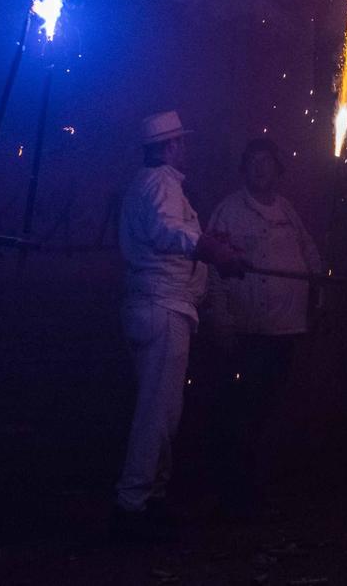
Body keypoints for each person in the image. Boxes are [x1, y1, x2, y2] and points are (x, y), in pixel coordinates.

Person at [112, 110, 240, 542]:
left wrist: (212, 248)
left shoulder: (146, 185)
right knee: (157, 413)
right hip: (163, 307)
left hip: (156, 306)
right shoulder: (162, 183)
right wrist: (211, 250)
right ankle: (134, 505)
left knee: (162, 410)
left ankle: (152, 499)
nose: (186, 149)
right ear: (169, 147)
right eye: (181, 142)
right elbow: (169, 232)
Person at [202, 137, 322, 517]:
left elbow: (310, 254)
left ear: (277, 169)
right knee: (243, 408)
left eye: (267, 162)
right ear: (244, 168)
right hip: (249, 330)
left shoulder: (288, 211)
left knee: (270, 407)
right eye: (253, 162)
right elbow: (212, 268)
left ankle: (258, 483)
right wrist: (220, 319)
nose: (261, 169)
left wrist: (318, 292)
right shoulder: (228, 212)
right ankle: (234, 489)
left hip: (286, 329)